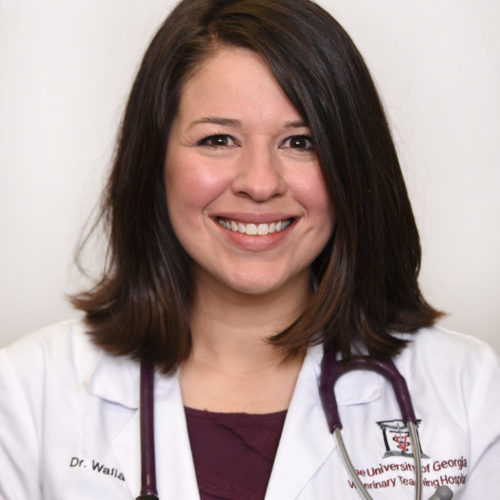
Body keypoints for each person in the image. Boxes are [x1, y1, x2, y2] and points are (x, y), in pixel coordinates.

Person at [0, 0, 499, 498]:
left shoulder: (470, 391)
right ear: (154, 159)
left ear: (353, 164)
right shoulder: (29, 393)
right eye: (218, 139)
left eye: (301, 142)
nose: (260, 184)